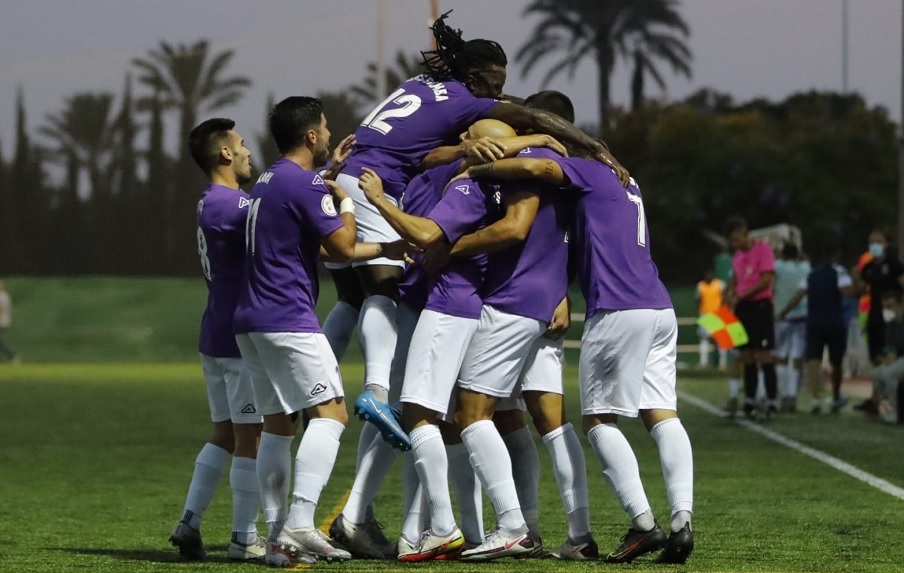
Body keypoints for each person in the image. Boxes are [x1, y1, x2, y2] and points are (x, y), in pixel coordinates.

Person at [323, 11, 629, 458]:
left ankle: (324, 383)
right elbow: (524, 116)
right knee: (383, 293)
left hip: (352, 177)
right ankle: (371, 388)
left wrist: (480, 146)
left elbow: (433, 148)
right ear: (472, 78)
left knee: (352, 295)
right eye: (493, 82)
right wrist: (595, 147)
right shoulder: (468, 119)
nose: (497, 93)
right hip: (378, 187)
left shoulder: (419, 86)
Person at [456, 145, 694, 565]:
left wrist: (481, 167)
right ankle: (682, 522)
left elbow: (535, 166)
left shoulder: (589, 170)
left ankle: (643, 525)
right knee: (662, 414)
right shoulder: (628, 181)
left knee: (599, 421)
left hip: (618, 307)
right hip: (659, 305)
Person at [232, 96, 359, 566]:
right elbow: (342, 247)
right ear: (310, 136)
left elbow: (306, 236)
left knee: (277, 428)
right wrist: (343, 201)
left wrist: (326, 179)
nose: (328, 135)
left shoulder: (267, 180)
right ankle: (300, 524)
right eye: (324, 129)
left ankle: (277, 540)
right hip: (288, 318)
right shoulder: (305, 184)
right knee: (332, 415)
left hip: (251, 321)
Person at [168, 118, 265, 561]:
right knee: (252, 437)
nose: (247, 152)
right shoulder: (234, 204)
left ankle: (189, 520)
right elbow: (280, 215)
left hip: (213, 332)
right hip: (239, 339)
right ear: (225, 153)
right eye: (242, 145)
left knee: (224, 433)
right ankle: (245, 539)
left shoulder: (210, 201)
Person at [779, 241, 854, 414]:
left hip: (814, 322)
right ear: (836, 255)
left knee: (813, 360)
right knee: (836, 362)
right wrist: (857, 285)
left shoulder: (812, 275)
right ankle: (835, 396)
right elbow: (847, 292)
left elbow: (798, 296)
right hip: (835, 322)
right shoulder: (840, 272)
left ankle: (814, 399)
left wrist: (783, 313)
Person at [725, 217, 779, 418]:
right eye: (733, 241)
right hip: (742, 308)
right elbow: (735, 280)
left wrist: (742, 294)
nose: (735, 244)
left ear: (746, 234)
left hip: (760, 307)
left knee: (763, 355)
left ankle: (772, 402)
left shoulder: (764, 250)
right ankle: (749, 401)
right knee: (746, 355)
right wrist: (730, 295)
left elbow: (766, 281)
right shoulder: (737, 256)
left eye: (738, 239)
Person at [853, 230, 904, 366]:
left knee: (891, 350)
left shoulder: (893, 264)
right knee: (875, 352)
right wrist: (856, 278)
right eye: (872, 242)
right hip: (874, 312)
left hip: (892, 313)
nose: (875, 245)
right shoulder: (868, 267)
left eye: (879, 242)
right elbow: (860, 290)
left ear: (886, 244)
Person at [772, 243, 810, 411]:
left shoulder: (778, 267)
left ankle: (784, 394)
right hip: (802, 316)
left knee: (781, 357)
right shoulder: (805, 267)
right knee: (797, 357)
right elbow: (805, 259)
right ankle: (792, 395)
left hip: (782, 315)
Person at [869, 290, 904, 424]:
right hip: (898, 359)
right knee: (877, 374)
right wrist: (885, 358)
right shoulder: (890, 326)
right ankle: (882, 408)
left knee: (889, 374)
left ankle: (893, 413)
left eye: (890, 306)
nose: (887, 310)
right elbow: (889, 348)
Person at [695, 270, 726, 369]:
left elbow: (725, 298)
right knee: (704, 339)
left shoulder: (720, 284)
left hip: (717, 315)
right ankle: (703, 362)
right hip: (705, 314)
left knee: (720, 340)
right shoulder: (701, 286)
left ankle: (722, 363)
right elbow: (698, 300)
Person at [0, 279, 19, 363]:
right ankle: (13, 356)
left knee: (1, 344)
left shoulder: (1, 296)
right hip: (5, 321)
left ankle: (13, 356)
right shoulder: (6, 295)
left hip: (1, 321)